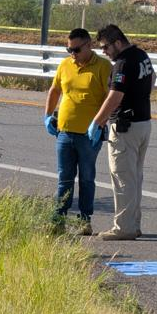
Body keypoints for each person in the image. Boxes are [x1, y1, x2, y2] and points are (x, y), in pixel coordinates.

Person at [88, 24, 154, 241]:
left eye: (105, 47)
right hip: (143, 123)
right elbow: (153, 78)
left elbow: (115, 96)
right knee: (134, 178)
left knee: (123, 177)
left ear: (117, 42)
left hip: (126, 127)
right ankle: (133, 224)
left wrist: (98, 122)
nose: (104, 52)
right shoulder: (141, 55)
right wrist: (139, 98)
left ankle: (124, 227)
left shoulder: (123, 64)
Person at [44, 28, 112, 235]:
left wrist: (100, 124)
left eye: (76, 49)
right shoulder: (65, 65)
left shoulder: (103, 67)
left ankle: (84, 221)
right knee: (64, 178)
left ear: (89, 45)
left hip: (89, 135)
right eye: (69, 50)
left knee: (86, 178)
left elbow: (110, 99)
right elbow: (55, 90)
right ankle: (58, 220)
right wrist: (47, 115)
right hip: (64, 131)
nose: (72, 54)